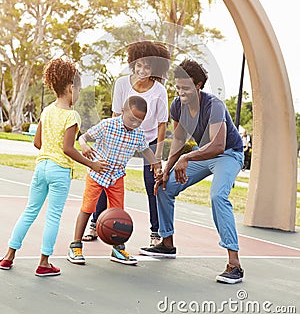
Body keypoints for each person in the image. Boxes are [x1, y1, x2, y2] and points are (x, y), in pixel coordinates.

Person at [140, 59, 245, 284]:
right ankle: (167, 244)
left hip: (229, 154)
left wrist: (187, 157)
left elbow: (218, 145)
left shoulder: (214, 105)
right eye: (178, 88)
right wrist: (165, 170)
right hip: (203, 153)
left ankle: (234, 264)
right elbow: (178, 139)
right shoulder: (177, 105)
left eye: (186, 88)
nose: (181, 92)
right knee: (164, 187)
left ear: (198, 86)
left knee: (218, 196)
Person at [0, 58, 107, 277]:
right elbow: (68, 148)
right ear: (70, 88)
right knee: (53, 216)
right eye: (78, 89)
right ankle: (44, 263)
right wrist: (92, 165)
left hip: (41, 167)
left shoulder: (47, 110)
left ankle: (8, 256)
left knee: (30, 211)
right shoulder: (72, 115)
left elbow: (37, 142)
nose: (78, 94)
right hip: (59, 171)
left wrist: (51, 146)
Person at [82, 41, 170, 247]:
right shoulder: (122, 83)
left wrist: (157, 159)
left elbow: (162, 125)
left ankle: (155, 232)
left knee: (152, 185)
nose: (142, 70)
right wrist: (111, 145)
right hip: (122, 136)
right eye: (138, 65)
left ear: (154, 69)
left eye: (147, 67)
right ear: (132, 64)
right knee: (105, 177)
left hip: (148, 139)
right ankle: (95, 224)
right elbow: (115, 116)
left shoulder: (159, 91)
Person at [67, 95, 162, 266]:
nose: (135, 123)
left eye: (139, 121)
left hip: (117, 176)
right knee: (87, 208)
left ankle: (118, 249)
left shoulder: (139, 134)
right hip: (98, 172)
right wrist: (84, 146)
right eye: (132, 118)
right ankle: (75, 245)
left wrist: (155, 163)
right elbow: (83, 137)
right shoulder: (107, 125)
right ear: (123, 111)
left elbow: (145, 150)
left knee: (118, 214)